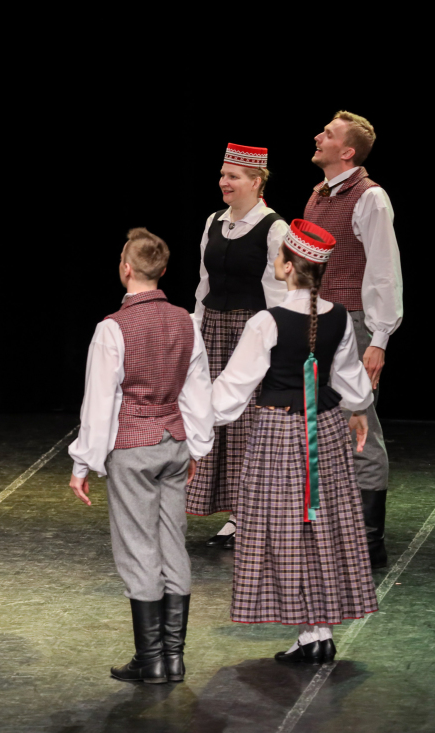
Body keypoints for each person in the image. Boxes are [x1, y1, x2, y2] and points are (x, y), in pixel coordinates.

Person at [212, 219, 378, 663]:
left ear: (287, 266)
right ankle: (317, 631)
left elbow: (233, 388)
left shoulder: (267, 322)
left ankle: (313, 631)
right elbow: (351, 379)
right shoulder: (339, 317)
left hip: (279, 433)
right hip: (324, 428)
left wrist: (196, 419)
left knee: (287, 528)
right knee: (319, 524)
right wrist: (359, 409)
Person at [68, 228, 213, 684]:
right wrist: (197, 445)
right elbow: (198, 390)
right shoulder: (186, 321)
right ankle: (173, 659)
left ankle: (151, 660)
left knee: (139, 549)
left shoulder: (113, 328)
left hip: (133, 447)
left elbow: (99, 402)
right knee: (172, 543)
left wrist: (83, 462)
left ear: (126, 268)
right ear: (162, 270)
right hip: (174, 442)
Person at [304, 111, 403, 569]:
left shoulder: (370, 198)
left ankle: (368, 541)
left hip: (354, 323)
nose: (318, 137)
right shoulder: (318, 195)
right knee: (321, 426)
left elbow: (384, 271)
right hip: (317, 321)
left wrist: (379, 338)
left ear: (347, 152)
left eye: (328, 134)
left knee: (359, 424)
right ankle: (332, 529)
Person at [187, 143, 289, 549]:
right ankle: (233, 512)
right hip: (213, 331)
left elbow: (278, 293)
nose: (223, 182)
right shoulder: (214, 221)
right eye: (222, 175)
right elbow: (204, 283)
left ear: (256, 181)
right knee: (215, 418)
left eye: (232, 176)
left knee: (248, 424)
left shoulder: (273, 227)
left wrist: (276, 347)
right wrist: (195, 332)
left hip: (251, 334)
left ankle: (248, 516)